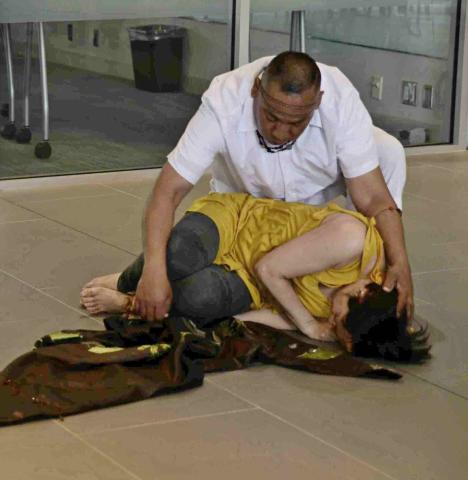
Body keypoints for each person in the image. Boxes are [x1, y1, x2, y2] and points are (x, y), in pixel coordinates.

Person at [133, 51, 413, 325]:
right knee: (175, 256)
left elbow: (374, 197)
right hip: (238, 211)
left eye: (296, 123)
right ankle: (137, 280)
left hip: (306, 220)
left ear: (318, 102)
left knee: (388, 150)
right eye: (271, 117)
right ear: (257, 89)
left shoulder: (341, 101)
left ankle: (343, 271)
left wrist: (400, 263)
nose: (280, 132)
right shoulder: (224, 100)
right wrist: (153, 271)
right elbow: (167, 191)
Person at [81, 192, 423, 356]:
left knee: (200, 300)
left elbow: (279, 314)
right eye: (338, 319)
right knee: (179, 255)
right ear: (363, 293)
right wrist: (309, 326)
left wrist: (220, 319)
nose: (331, 323)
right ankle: (128, 281)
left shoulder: (351, 319)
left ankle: (129, 301)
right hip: (237, 223)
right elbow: (270, 268)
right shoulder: (353, 241)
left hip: (250, 282)